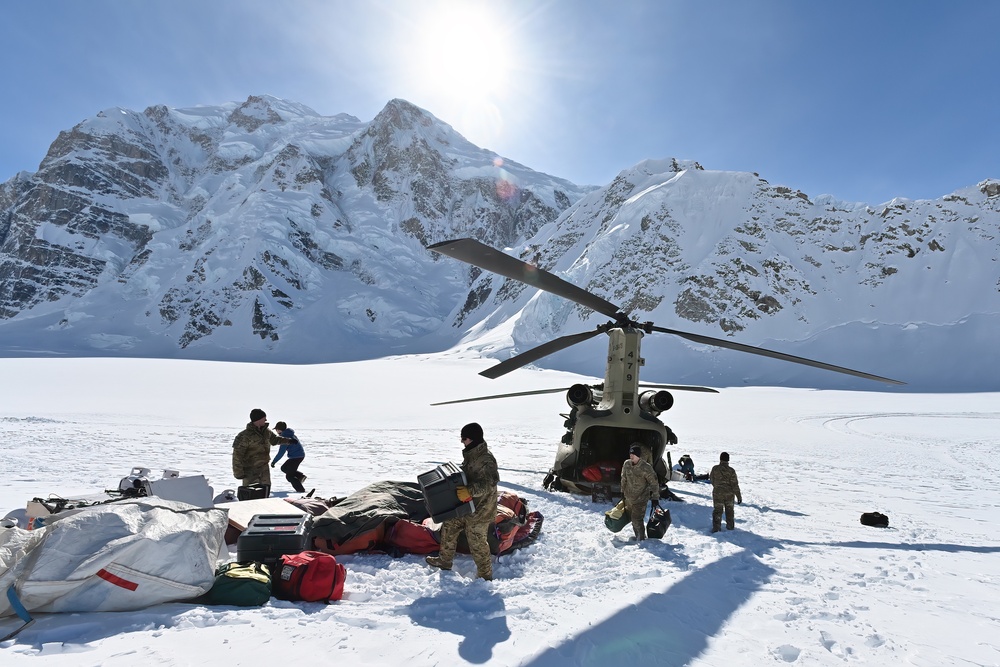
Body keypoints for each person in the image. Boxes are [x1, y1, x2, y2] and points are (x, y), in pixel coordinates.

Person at [426, 422, 500, 581]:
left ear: (473, 439)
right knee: (450, 524)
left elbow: (489, 483)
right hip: (468, 504)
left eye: (464, 438)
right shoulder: (471, 455)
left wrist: (469, 490)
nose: (462, 442)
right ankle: (445, 561)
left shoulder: (486, 460)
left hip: (482, 509)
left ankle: (485, 576)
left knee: (476, 541)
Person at [232, 408, 293, 497]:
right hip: (250, 471)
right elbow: (237, 455)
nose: (266, 420)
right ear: (258, 419)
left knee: (264, 494)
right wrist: (238, 472)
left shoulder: (267, 432)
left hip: (264, 470)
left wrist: (288, 441)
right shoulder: (244, 436)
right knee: (251, 496)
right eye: (264, 418)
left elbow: (274, 440)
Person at [620, 442, 660, 541]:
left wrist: (655, 498)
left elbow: (654, 483)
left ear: (638, 455)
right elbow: (623, 478)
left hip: (641, 498)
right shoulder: (627, 464)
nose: (631, 456)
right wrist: (622, 491)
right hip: (629, 497)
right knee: (633, 519)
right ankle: (638, 536)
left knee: (636, 519)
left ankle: (641, 539)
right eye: (630, 454)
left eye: (633, 454)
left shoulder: (646, 468)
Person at [709, 451, 743, 533]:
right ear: (728, 460)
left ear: (720, 459)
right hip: (729, 494)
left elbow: (712, 479)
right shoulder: (731, 471)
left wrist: (717, 487)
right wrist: (738, 496)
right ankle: (730, 528)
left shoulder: (715, 469)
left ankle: (716, 528)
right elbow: (735, 485)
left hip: (717, 493)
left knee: (717, 511)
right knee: (729, 511)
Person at [270, 421, 307, 493]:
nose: (276, 431)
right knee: (284, 468)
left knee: (289, 476)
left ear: (279, 430)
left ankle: (300, 490)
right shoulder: (290, 434)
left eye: (276, 429)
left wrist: (274, 461)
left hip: (296, 457)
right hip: (299, 455)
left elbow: (281, 452)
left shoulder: (285, 438)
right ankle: (300, 476)